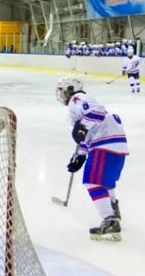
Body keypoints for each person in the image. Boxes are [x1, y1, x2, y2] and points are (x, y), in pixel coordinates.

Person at [55, 77, 128, 241]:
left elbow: (98, 112)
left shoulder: (77, 99)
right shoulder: (77, 106)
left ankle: (110, 219)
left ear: (70, 90)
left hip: (104, 143)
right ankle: (113, 209)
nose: (61, 95)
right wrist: (80, 156)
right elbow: (86, 137)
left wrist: (81, 127)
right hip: (116, 144)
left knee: (92, 181)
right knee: (105, 182)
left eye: (62, 90)